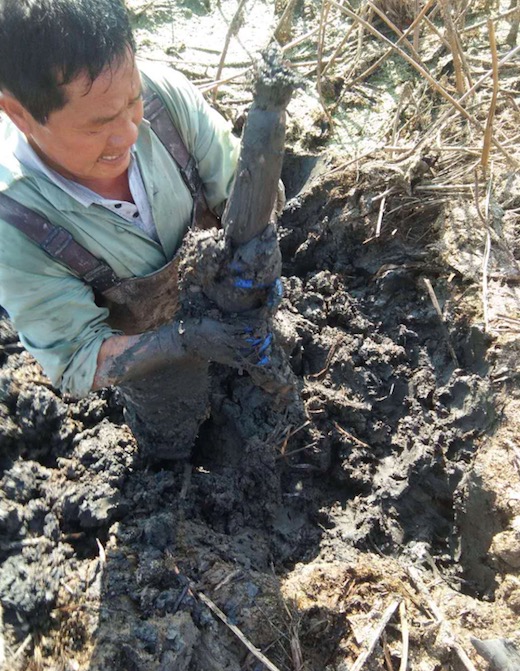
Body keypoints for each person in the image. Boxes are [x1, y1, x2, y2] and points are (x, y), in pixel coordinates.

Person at [0, 0, 278, 459]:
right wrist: (184, 339)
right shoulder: (15, 224)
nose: (129, 134)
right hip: (153, 368)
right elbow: (77, 360)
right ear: (19, 115)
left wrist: (258, 265)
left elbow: (241, 188)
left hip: (240, 313)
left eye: (131, 103)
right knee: (174, 441)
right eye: (98, 128)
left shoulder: (163, 100)